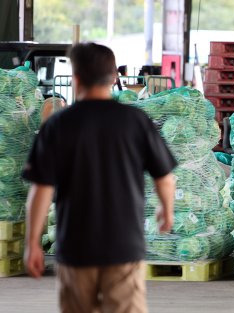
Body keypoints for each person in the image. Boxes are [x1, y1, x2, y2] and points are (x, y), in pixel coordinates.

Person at [23, 42, 177, 313]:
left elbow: (41, 190)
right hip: (124, 247)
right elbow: (164, 176)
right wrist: (167, 210)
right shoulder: (135, 120)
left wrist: (32, 243)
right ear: (114, 78)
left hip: (75, 247)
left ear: (76, 78)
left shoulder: (58, 125)